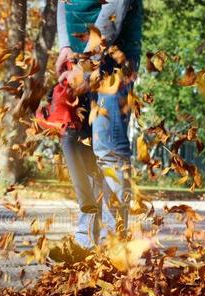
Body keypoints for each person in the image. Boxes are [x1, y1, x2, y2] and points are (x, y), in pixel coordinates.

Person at [56, 0, 143, 243]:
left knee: (108, 148)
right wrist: (65, 46)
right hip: (79, 58)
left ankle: (112, 242)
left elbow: (114, 10)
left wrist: (86, 66)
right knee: (80, 146)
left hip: (113, 59)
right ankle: (87, 240)